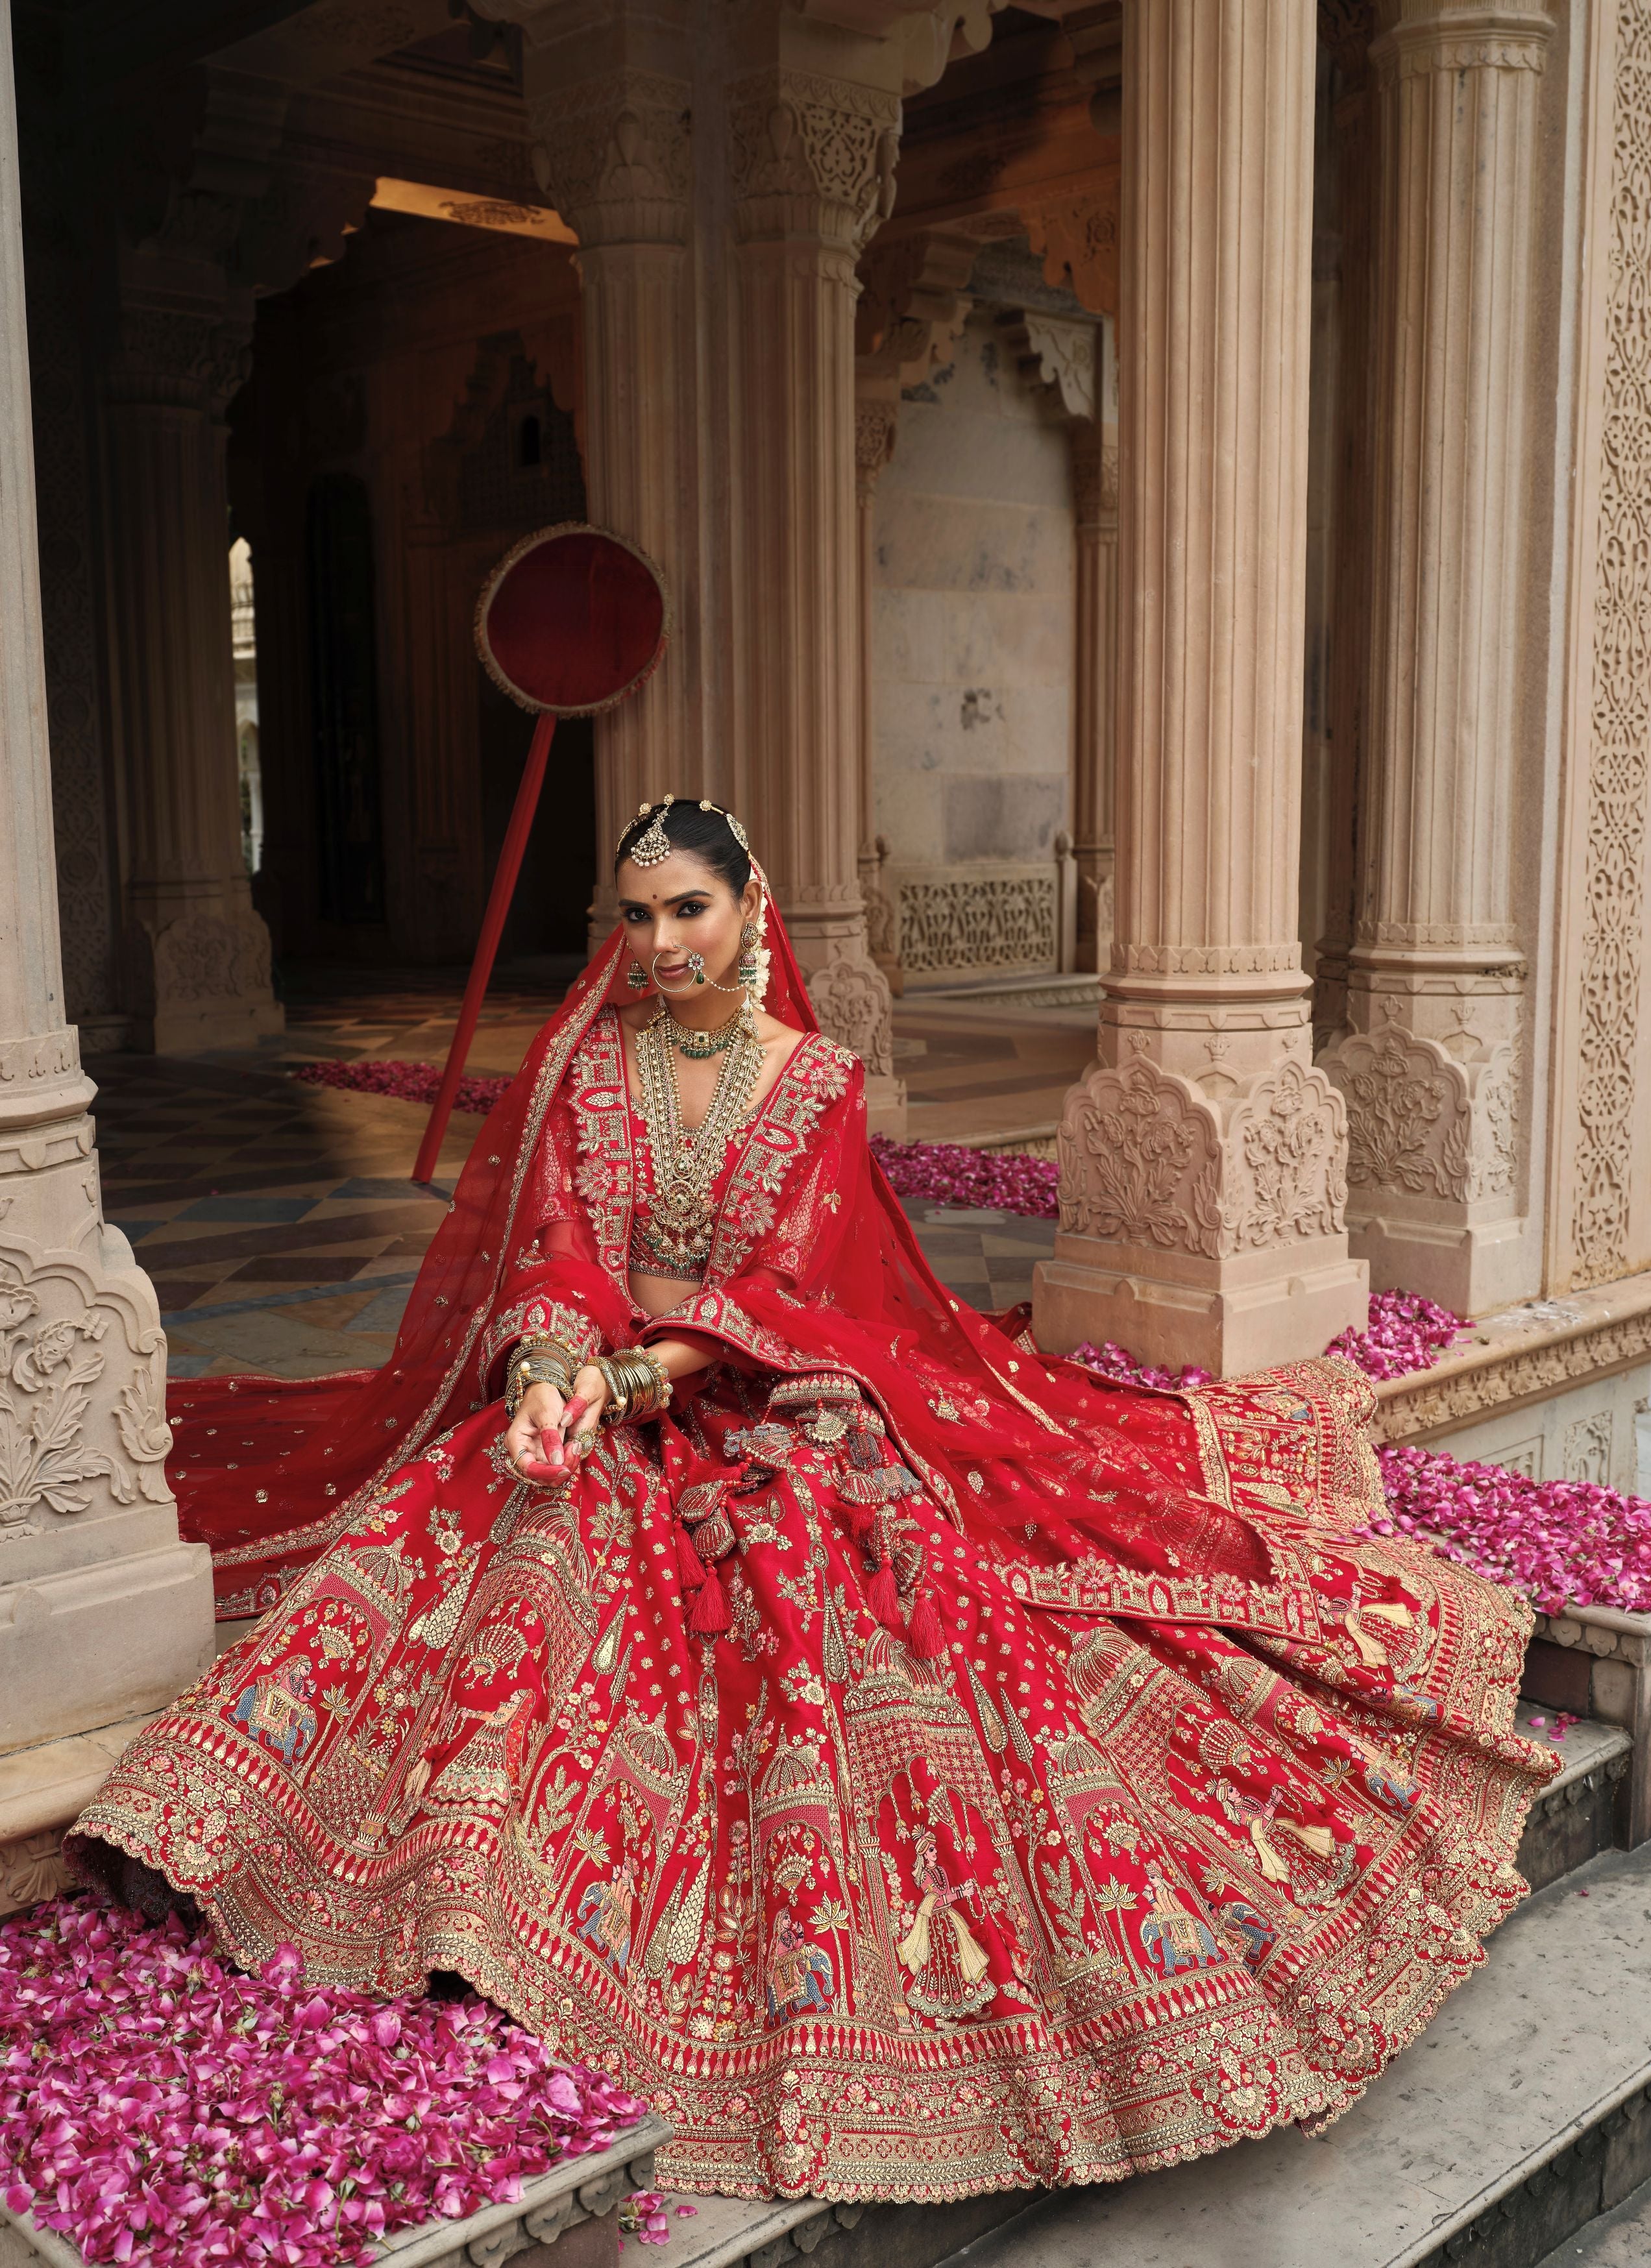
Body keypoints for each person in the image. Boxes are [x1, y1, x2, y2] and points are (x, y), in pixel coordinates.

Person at [71, 798, 1556, 2203]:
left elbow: (794, 1283)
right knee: (507, 1521)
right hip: (594, 1388)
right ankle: (430, 1878)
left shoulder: (815, 1081)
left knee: (829, 1585)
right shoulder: (596, 1072)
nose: (663, 945)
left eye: (691, 909)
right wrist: (544, 1370)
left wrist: (650, 1376)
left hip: (762, 1396)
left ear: (752, 906)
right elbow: (555, 1242)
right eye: (639, 915)